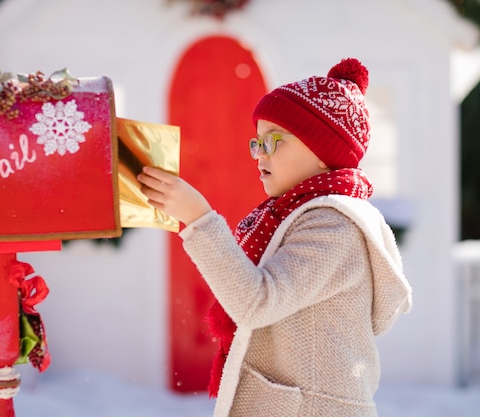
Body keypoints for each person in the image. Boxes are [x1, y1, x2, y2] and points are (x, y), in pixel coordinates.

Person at [137, 57, 412, 417]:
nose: (259, 154)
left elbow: (257, 301)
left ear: (322, 151)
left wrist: (198, 218)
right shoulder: (295, 214)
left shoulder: (335, 226)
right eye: (257, 142)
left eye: (274, 141)